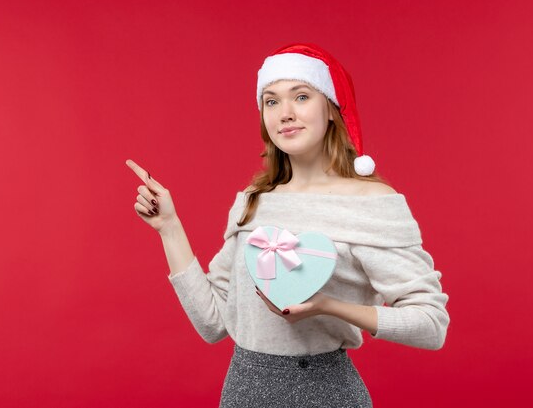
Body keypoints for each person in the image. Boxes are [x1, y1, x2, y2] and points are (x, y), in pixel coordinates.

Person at [126, 42, 450, 408]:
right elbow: (212, 323)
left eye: (301, 96)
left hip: (326, 394)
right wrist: (169, 226)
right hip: (242, 393)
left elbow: (431, 325)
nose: (285, 114)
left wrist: (327, 305)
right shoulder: (253, 201)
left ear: (330, 109)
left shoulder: (371, 204)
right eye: (271, 101)